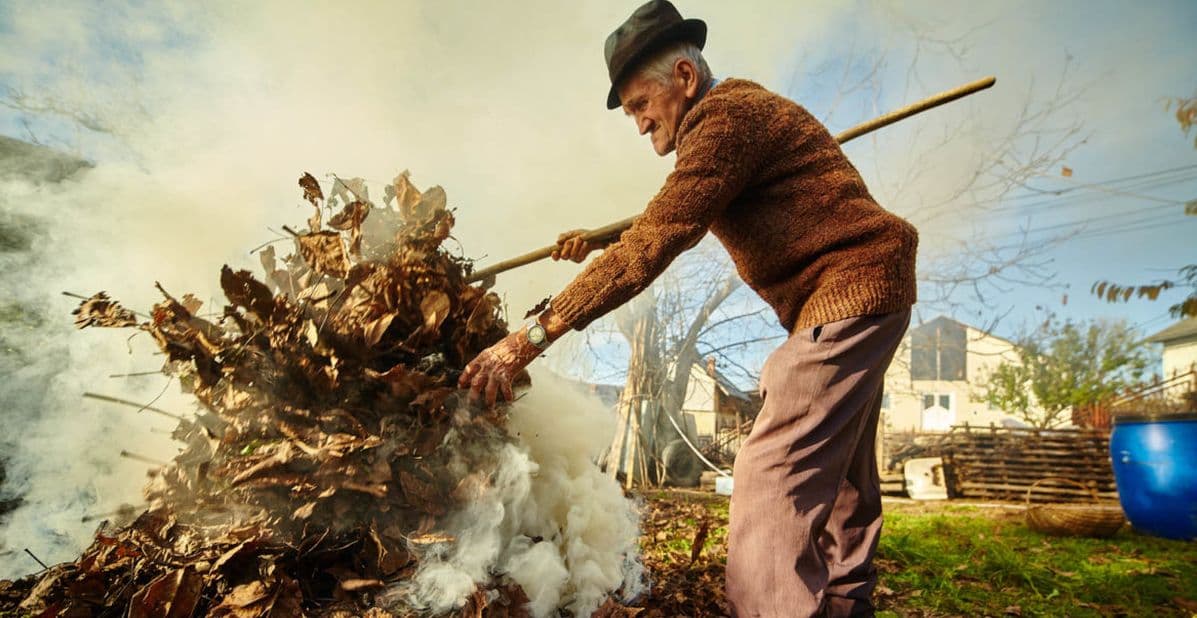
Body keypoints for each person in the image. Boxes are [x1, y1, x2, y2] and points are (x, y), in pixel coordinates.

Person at [459, 1, 917, 616]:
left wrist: (530, 337)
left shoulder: (725, 121)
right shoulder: (733, 122)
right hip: (870, 288)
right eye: (630, 114)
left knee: (772, 470)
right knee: (840, 476)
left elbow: (658, 238)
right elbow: (660, 220)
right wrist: (596, 242)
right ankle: (842, 603)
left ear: (684, 77)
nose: (640, 124)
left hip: (849, 290)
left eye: (641, 106)